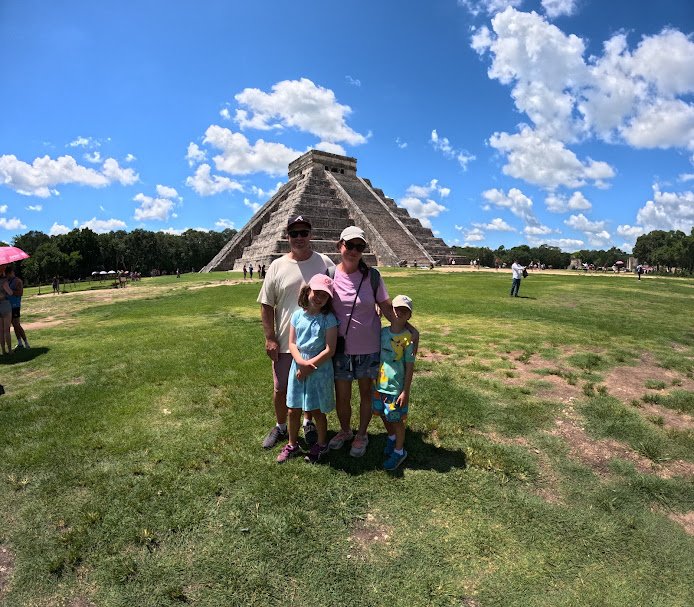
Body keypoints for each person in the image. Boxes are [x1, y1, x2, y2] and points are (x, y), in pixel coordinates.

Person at [328, 225, 418, 458]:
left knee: (367, 393)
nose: (354, 251)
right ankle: (346, 430)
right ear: (340, 245)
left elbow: (387, 307)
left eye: (360, 247)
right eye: (350, 245)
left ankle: (362, 433)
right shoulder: (329, 275)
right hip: (340, 348)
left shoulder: (372, 277)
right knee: (343, 395)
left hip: (368, 346)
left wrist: (407, 329)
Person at [258, 215, 335, 450]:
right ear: (287, 236)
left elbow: (342, 291)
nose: (299, 237)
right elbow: (266, 304)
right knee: (281, 388)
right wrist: (270, 338)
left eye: (304, 233)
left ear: (311, 234)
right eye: (294, 233)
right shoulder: (277, 265)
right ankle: (281, 426)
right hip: (285, 342)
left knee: (310, 389)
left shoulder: (325, 262)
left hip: (315, 344)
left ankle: (308, 422)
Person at [278, 274, 339, 464]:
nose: (319, 297)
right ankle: (292, 443)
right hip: (299, 365)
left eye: (325, 295)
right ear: (308, 291)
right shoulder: (297, 315)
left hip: (319, 368)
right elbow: (292, 344)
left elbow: (330, 349)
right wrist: (301, 363)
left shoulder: (328, 318)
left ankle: (321, 444)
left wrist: (309, 366)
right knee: (293, 409)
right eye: (317, 292)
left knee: (318, 410)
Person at [373, 294, 416, 470]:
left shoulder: (408, 338)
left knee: (396, 420)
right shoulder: (382, 333)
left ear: (409, 316)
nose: (399, 313)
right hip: (380, 385)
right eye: (397, 309)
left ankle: (399, 451)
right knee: (382, 413)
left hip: (396, 389)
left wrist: (405, 391)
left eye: (404, 311)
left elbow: (410, 366)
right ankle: (391, 438)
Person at [5, 266, 29, 350]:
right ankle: (20, 343)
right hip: (8, 306)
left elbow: (20, 293)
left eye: (8, 274)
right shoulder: (7, 281)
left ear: (11, 272)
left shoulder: (17, 281)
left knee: (17, 324)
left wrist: (11, 292)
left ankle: (26, 343)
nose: (7, 276)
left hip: (15, 305)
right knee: (14, 325)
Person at [0, 266, 13, 355]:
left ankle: (3, 350)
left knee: (0, 331)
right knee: (6, 330)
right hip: (5, 305)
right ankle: (10, 350)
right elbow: (10, 293)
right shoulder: (4, 282)